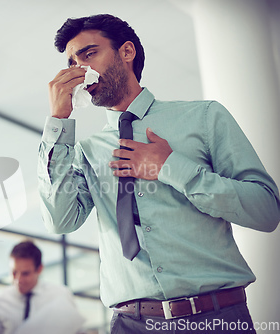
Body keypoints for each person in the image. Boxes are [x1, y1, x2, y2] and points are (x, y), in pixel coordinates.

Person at [38, 14, 280, 333]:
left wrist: (171, 167)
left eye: (88, 53)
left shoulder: (204, 118)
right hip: (129, 324)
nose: (78, 69)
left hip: (217, 318)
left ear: (126, 52)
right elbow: (60, 221)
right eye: (72, 61)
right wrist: (58, 121)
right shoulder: (86, 151)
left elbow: (266, 211)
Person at [0, 240, 83, 334]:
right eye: (14, 272)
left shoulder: (61, 295)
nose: (18, 280)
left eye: (25, 273)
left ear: (40, 269)